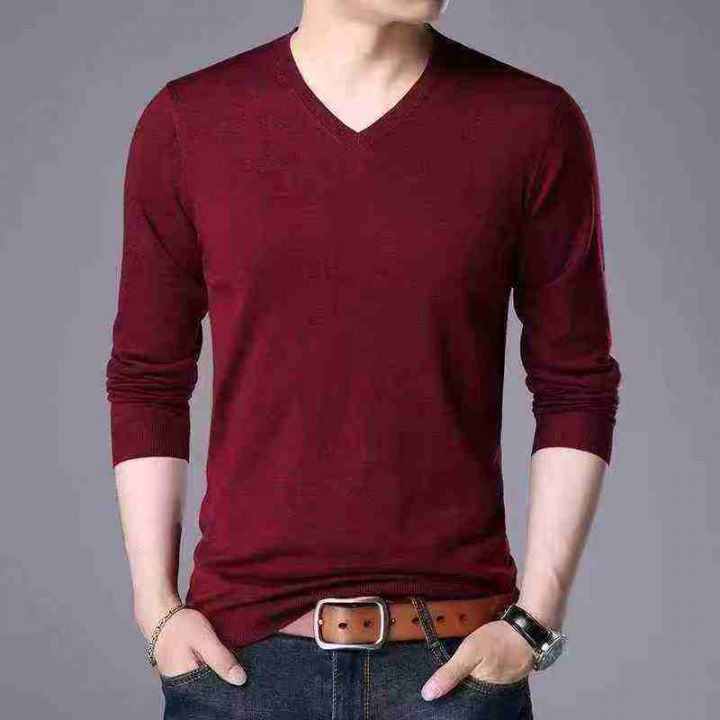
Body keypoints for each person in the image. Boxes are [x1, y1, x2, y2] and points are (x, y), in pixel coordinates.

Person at [105, 0, 622, 718]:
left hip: (455, 668)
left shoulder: (531, 124)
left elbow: (576, 384)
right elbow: (149, 379)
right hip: (240, 667)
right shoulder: (190, 123)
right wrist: (156, 608)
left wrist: (535, 620)